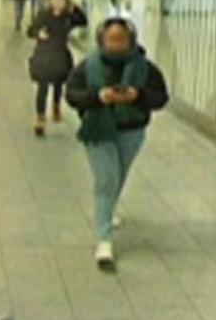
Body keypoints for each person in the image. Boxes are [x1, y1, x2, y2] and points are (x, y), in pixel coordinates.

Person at [65, 18, 169, 270]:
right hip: (98, 131)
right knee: (106, 179)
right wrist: (98, 97)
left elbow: (160, 98)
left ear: (130, 39)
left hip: (131, 131)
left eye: (122, 39)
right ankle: (104, 239)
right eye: (112, 39)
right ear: (102, 40)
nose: (117, 44)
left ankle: (107, 212)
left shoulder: (145, 68)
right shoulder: (88, 67)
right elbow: (72, 95)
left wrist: (138, 96)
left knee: (118, 176)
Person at [26, 0, 87, 136]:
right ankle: (40, 117)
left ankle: (56, 106)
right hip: (44, 55)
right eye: (54, 0)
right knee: (43, 86)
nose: (57, 3)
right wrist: (38, 34)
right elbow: (30, 30)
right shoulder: (43, 15)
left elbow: (83, 21)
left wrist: (75, 8)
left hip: (60, 54)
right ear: (50, 1)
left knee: (59, 83)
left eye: (61, 0)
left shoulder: (68, 17)